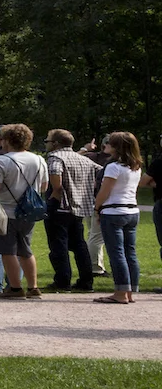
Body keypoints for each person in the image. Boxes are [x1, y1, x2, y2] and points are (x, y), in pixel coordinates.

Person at [0, 124, 49, 299]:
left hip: (6, 211)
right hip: (29, 211)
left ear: (6, 140)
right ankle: (33, 287)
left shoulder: (1, 161)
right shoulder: (39, 159)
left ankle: (15, 288)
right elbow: (44, 186)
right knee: (25, 250)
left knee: (7, 251)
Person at [45, 129, 101, 292]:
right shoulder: (84, 160)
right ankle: (86, 281)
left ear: (55, 143)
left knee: (58, 246)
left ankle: (63, 281)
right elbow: (102, 171)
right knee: (79, 245)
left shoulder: (55, 157)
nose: (46, 144)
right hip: (79, 208)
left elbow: (55, 173)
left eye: (47, 141)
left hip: (59, 207)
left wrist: (55, 191)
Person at [95, 131, 143, 304]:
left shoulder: (113, 167)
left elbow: (105, 191)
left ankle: (121, 292)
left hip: (113, 211)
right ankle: (130, 291)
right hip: (132, 211)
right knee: (130, 252)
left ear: (116, 147)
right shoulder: (135, 166)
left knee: (117, 253)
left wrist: (97, 207)